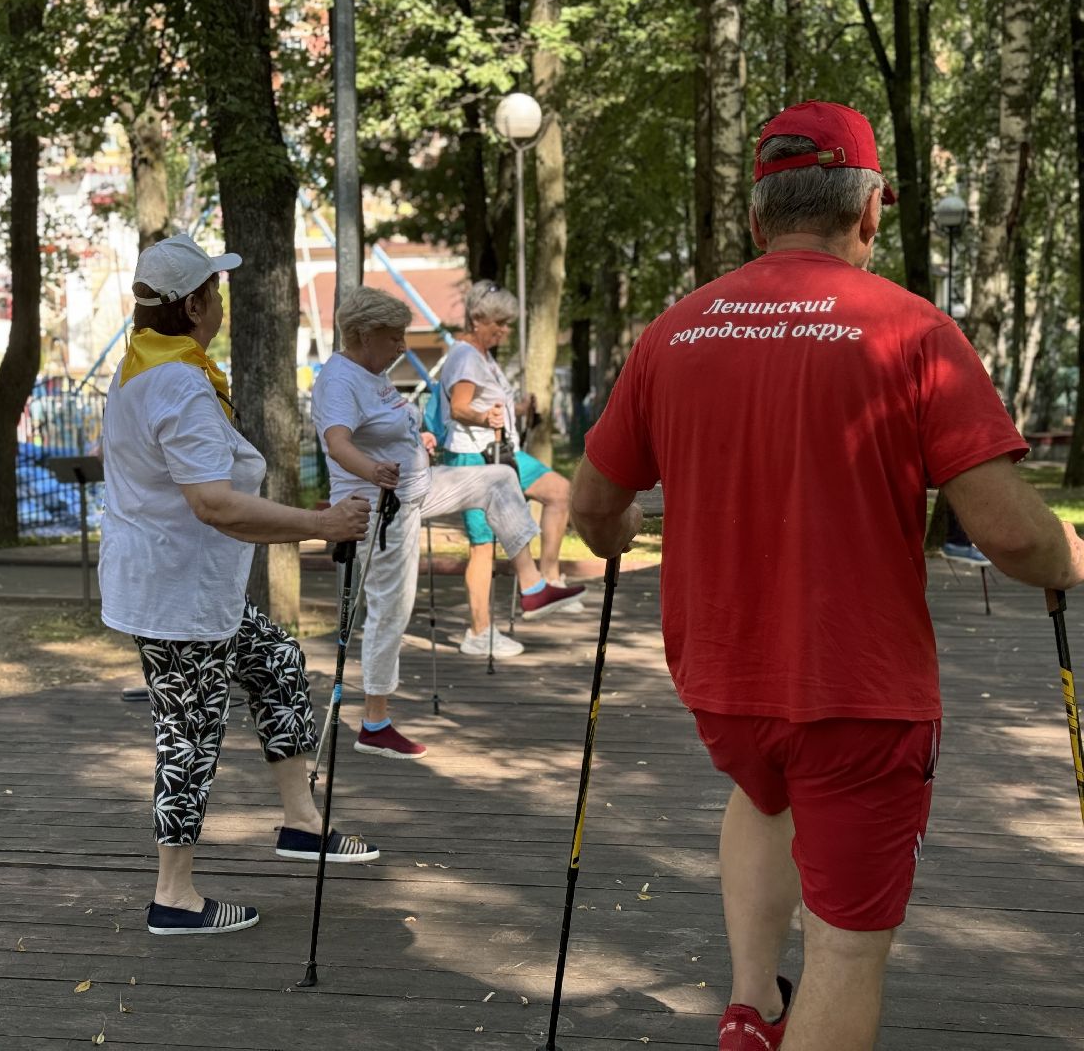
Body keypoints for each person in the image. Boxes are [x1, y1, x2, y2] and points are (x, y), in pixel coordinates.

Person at [569, 100, 1084, 1051]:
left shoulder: (675, 333)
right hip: (862, 695)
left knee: (765, 792)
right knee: (847, 952)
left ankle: (752, 1004)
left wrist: (613, 535)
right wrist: (1067, 558)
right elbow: (1014, 537)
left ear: (758, 218)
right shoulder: (912, 330)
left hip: (724, 682)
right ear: (871, 211)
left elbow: (594, 504)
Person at [99, 233, 381, 937]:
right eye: (215, 292)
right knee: (189, 736)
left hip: (184, 587)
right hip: (178, 598)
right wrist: (323, 524)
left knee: (278, 662)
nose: (221, 301)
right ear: (195, 304)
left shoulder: (144, 364)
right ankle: (175, 895)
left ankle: (301, 822)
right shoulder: (178, 384)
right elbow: (215, 504)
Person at [311, 287, 584, 758]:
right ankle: (375, 723)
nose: (401, 346)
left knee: (498, 477)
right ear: (362, 335)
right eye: (393, 337)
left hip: (418, 486)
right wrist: (373, 470)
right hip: (380, 508)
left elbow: (381, 428)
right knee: (391, 610)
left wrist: (416, 440)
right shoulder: (339, 381)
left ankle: (533, 585)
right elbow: (337, 443)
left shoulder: (370, 373)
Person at [437, 281, 584, 657]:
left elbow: (486, 402)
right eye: (498, 323)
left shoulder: (484, 356)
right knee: (483, 546)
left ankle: (546, 578)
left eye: (507, 323)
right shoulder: (466, 357)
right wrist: (485, 416)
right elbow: (459, 407)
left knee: (560, 492)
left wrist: (516, 410)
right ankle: (479, 631)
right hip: (474, 457)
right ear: (476, 318)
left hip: (506, 452)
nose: (503, 330)